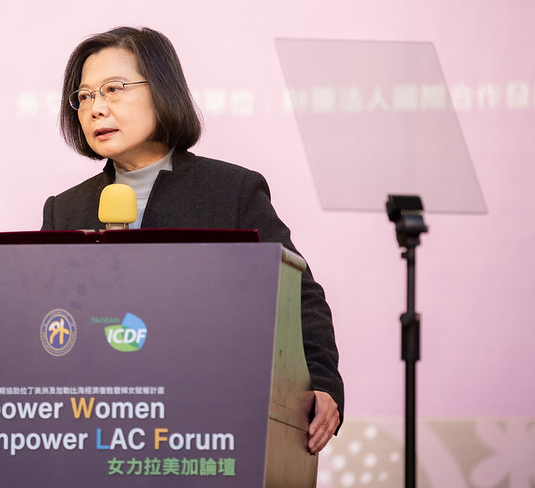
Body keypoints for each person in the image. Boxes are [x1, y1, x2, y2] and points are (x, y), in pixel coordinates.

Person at [41, 26, 343, 454]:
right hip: (94, 425)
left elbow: (297, 294)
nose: (96, 108)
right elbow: (47, 318)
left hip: (205, 426)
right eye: (85, 96)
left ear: (162, 90)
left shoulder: (231, 191)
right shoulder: (64, 209)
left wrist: (322, 383)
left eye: (113, 89)